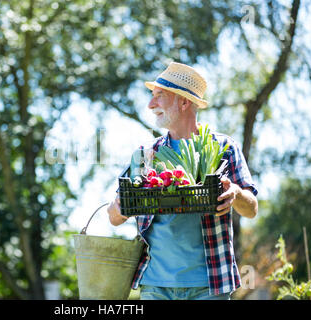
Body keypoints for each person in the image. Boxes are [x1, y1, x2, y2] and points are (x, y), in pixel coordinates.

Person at [107, 61, 258, 300]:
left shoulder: (224, 148)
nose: (150, 104)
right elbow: (113, 216)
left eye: (159, 96)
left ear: (184, 102)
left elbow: (251, 209)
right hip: (156, 287)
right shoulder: (147, 154)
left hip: (210, 285)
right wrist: (124, 206)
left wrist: (236, 194)